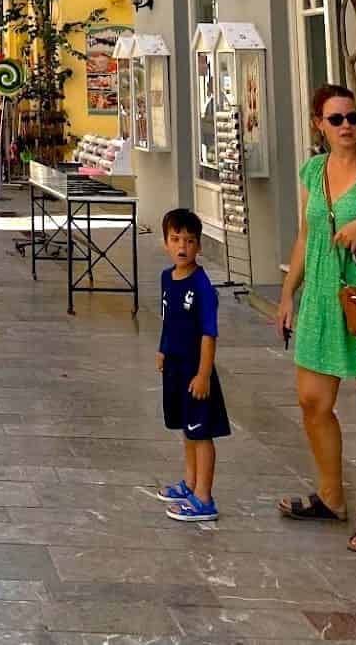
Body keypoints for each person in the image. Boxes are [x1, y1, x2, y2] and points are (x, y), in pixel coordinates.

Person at [277, 84, 356, 554]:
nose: (348, 127)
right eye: (337, 119)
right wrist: (288, 294)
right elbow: (306, 236)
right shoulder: (313, 170)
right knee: (312, 402)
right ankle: (330, 495)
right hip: (322, 296)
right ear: (317, 125)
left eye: (354, 117)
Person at [155, 207, 229, 522]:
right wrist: (162, 350)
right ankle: (189, 482)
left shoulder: (201, 286)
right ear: (166, 243)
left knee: (201, 433)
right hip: (173, 366)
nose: (182, 246)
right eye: (176, 239)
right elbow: (167, 320)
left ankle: (204, 498)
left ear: (199, 246)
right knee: (187, 430)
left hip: (194, 371)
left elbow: (209, 333)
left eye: (189, 240)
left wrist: (203, 374)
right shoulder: (166, 278)